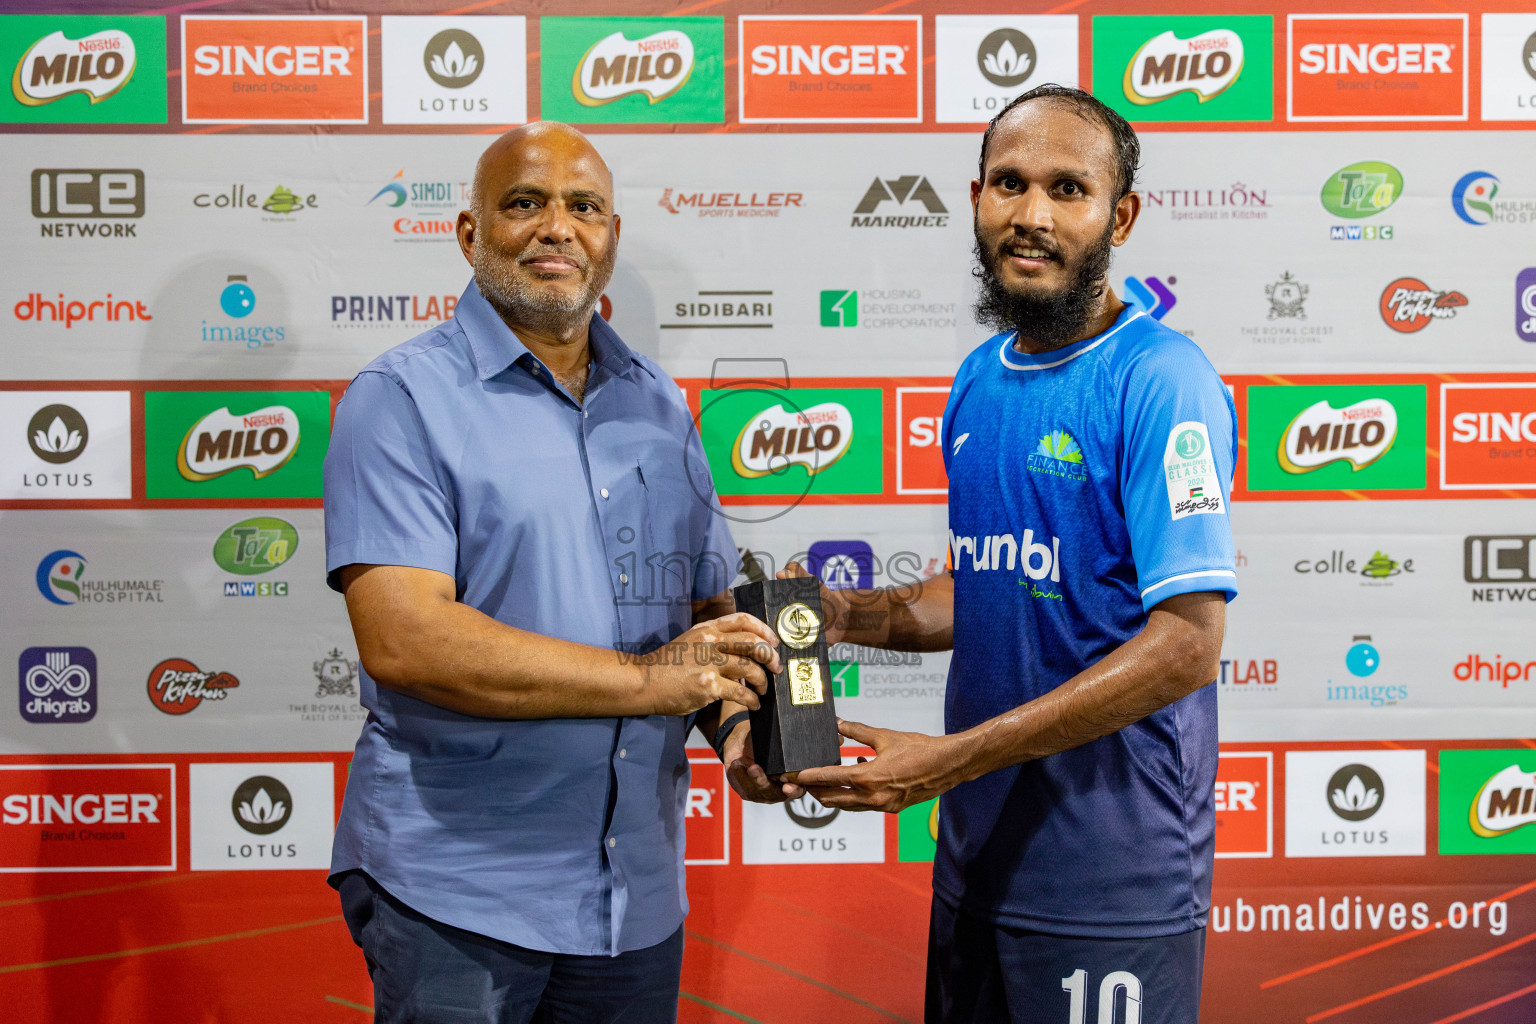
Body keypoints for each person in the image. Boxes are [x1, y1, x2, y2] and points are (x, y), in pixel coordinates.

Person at [781, 85, 1238, 1022]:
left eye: (1068, 189)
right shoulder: (977, 381)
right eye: (1010, 184)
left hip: (1110, 883)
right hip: (977, 864)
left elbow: (1189, 642)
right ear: (978, 196)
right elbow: (989, 587)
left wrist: (950, 759)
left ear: (1122, 215)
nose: (1032, 215)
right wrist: (837, 615)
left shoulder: (1164, 381)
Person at [322, 121, 787, 1024]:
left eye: (583, 208)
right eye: (524, 203)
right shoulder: (399, 399)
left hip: (634, 897)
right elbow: (407, 640)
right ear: (469, 234)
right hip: (460, 893)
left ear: (611, 236)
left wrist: (743, 737)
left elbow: (702, 620)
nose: (556, 227)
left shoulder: (660, 403)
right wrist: (651, 680)